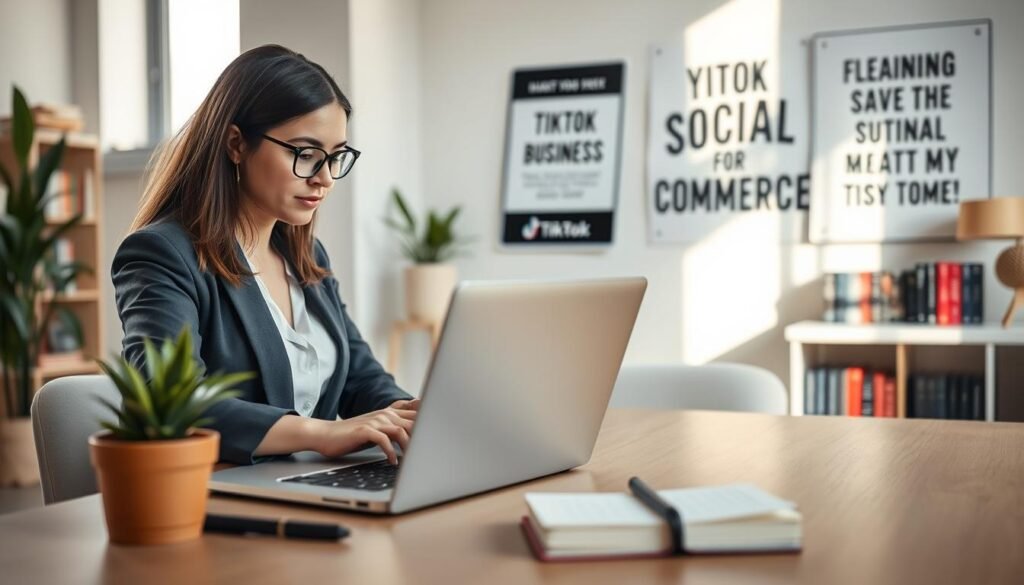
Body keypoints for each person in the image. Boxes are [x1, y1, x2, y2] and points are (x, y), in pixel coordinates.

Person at [112, 44, 417, 466]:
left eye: (335, 157)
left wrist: (413, 419)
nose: (325, 178)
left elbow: (360, 379)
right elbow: (173, 401)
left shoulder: (306, 255)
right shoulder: (162, 253)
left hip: (311, 485)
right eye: (306, 154)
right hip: (222, 493)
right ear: (236, 143)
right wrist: (321, 434)